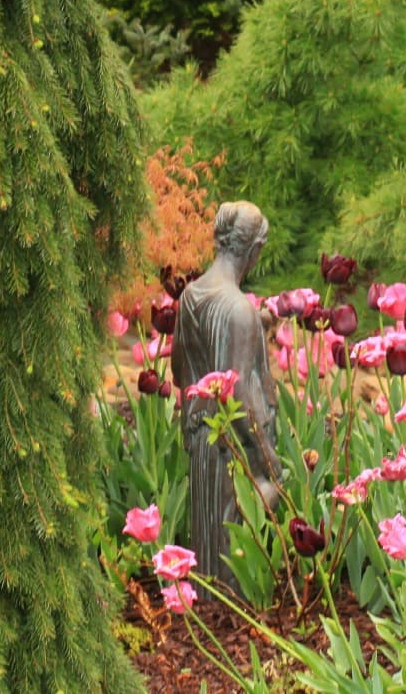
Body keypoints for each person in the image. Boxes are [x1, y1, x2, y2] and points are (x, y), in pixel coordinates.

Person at [173, 201, 283, 586]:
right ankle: (234, 617)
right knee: (234, 549)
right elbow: (237, 395)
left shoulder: (190, 297)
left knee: (209, 542)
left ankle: (211, 614)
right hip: (234, 448)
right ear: (254, 250)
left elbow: (180, 372)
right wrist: (267, 458)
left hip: (202, 440)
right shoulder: (238, 309)